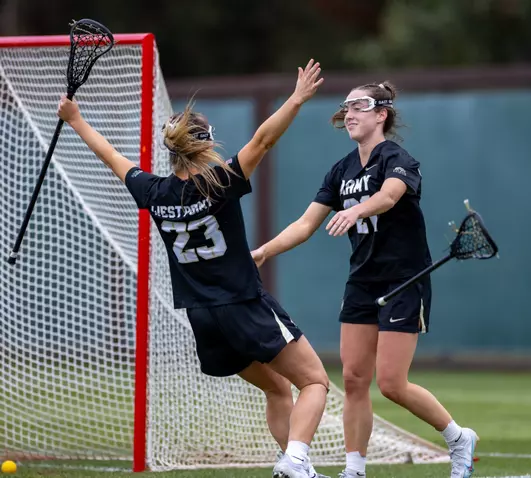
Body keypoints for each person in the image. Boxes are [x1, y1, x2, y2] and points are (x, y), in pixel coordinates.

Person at [58, 59, 330, 478]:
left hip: (203, 319)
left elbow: (111, 155)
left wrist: (75, 119)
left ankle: (298, 468)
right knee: (315, 382)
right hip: (244, 306)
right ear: (205, 144)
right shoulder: (219, 183)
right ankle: (295, 459)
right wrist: (296, 99)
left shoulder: (152, 190)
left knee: (277, 388)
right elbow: (263, 140)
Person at [251, 82, 479, 478]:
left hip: (404, 280)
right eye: (347, 106)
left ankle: (459, 438)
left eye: (360, 105)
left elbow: (390, 196)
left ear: (381, 114)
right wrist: (264, 251)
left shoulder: (398, 158)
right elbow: (306, 224)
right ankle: (354, 469)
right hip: (362, 282)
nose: (350, 113)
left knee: (391, 383)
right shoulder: (340, 170)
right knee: (354, 379)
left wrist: (357, 212)